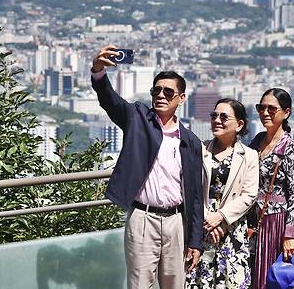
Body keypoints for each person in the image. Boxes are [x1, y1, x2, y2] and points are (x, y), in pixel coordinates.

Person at [91, 45, 204, 289]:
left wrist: (196, 241)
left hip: (176, 222)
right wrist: (98, 71)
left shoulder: (190, 141)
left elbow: (195, 196)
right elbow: (110, 101)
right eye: (157, 90)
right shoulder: (138, 118)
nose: (161, 95)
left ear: (181, 98)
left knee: (175, 285)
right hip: (143, 218)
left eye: (168, 92)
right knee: (140, 284)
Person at [186, 98, 259, 289]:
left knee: (231, 281)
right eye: (214, 116)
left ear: (239, 124)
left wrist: (221, 217)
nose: (217, 120)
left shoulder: (249, 155)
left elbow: (249, 195)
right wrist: (207, 218)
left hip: (232, 229)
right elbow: (191, 188)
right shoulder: (200, 149)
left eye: (224, 117)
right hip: (201, 225)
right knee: (199, 280)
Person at [249, 88, 294, 289]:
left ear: (286, 113)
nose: (265, 113)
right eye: (261, 108)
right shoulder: (257, 141)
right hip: (254, 220)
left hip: (276, 222)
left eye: (272, 108)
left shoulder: (289, 148)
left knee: (271, 276)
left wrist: (289, 233)